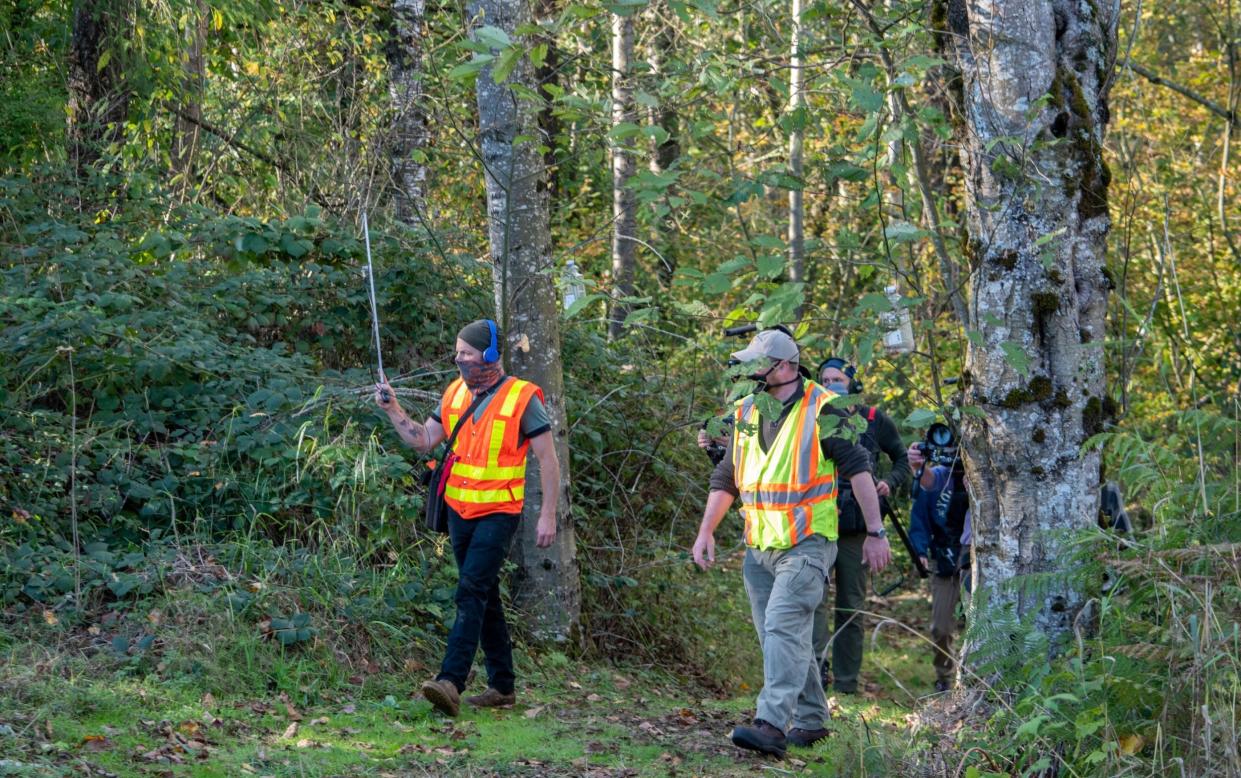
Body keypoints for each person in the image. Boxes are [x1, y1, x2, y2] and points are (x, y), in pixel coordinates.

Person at [691, 328, 892, 757]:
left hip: (808, 543)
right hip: (759, 545)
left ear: (783, 367)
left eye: (755, 363)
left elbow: (859, 470)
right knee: (777, 637)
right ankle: (813, 719)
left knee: (783, 627)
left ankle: (771, 724)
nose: (747, 370)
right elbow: (727, 477)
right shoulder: (746, 410)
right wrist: (705, 530)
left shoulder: (826, 408)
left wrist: (876, 533)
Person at [375, 319, 560, 717]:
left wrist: (548, 515)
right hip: (459, 509)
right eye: (457, 353)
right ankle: (503, 687)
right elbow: (423, 439)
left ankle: (450, 682)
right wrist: (394, 410)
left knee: (470, 589)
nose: (459, 359)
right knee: (485, 593)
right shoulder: (455, 392)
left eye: (467, 353)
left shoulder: (522, 398)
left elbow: (548, 460)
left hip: (500, 511)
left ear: (490, 356)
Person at [813, 357, 912, 695]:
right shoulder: (810, 418)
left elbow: (901, 459)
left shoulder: (874, 420)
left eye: (837, 378)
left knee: (850, 606)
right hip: (816, 525)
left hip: (856, 530)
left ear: (853, 383)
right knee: (811, 602)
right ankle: (814, 674)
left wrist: (889, 482)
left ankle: (845, 684)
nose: (831, 384)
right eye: (825, 378)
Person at [906, 441, 970, 693]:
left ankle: (976, 679)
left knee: (979, 623)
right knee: (940, 627)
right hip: (943, 556)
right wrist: (919, 551)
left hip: (973, 554)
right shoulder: (938, 478)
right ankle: (944, 678)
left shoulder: (987, 477)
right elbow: (920, 514)